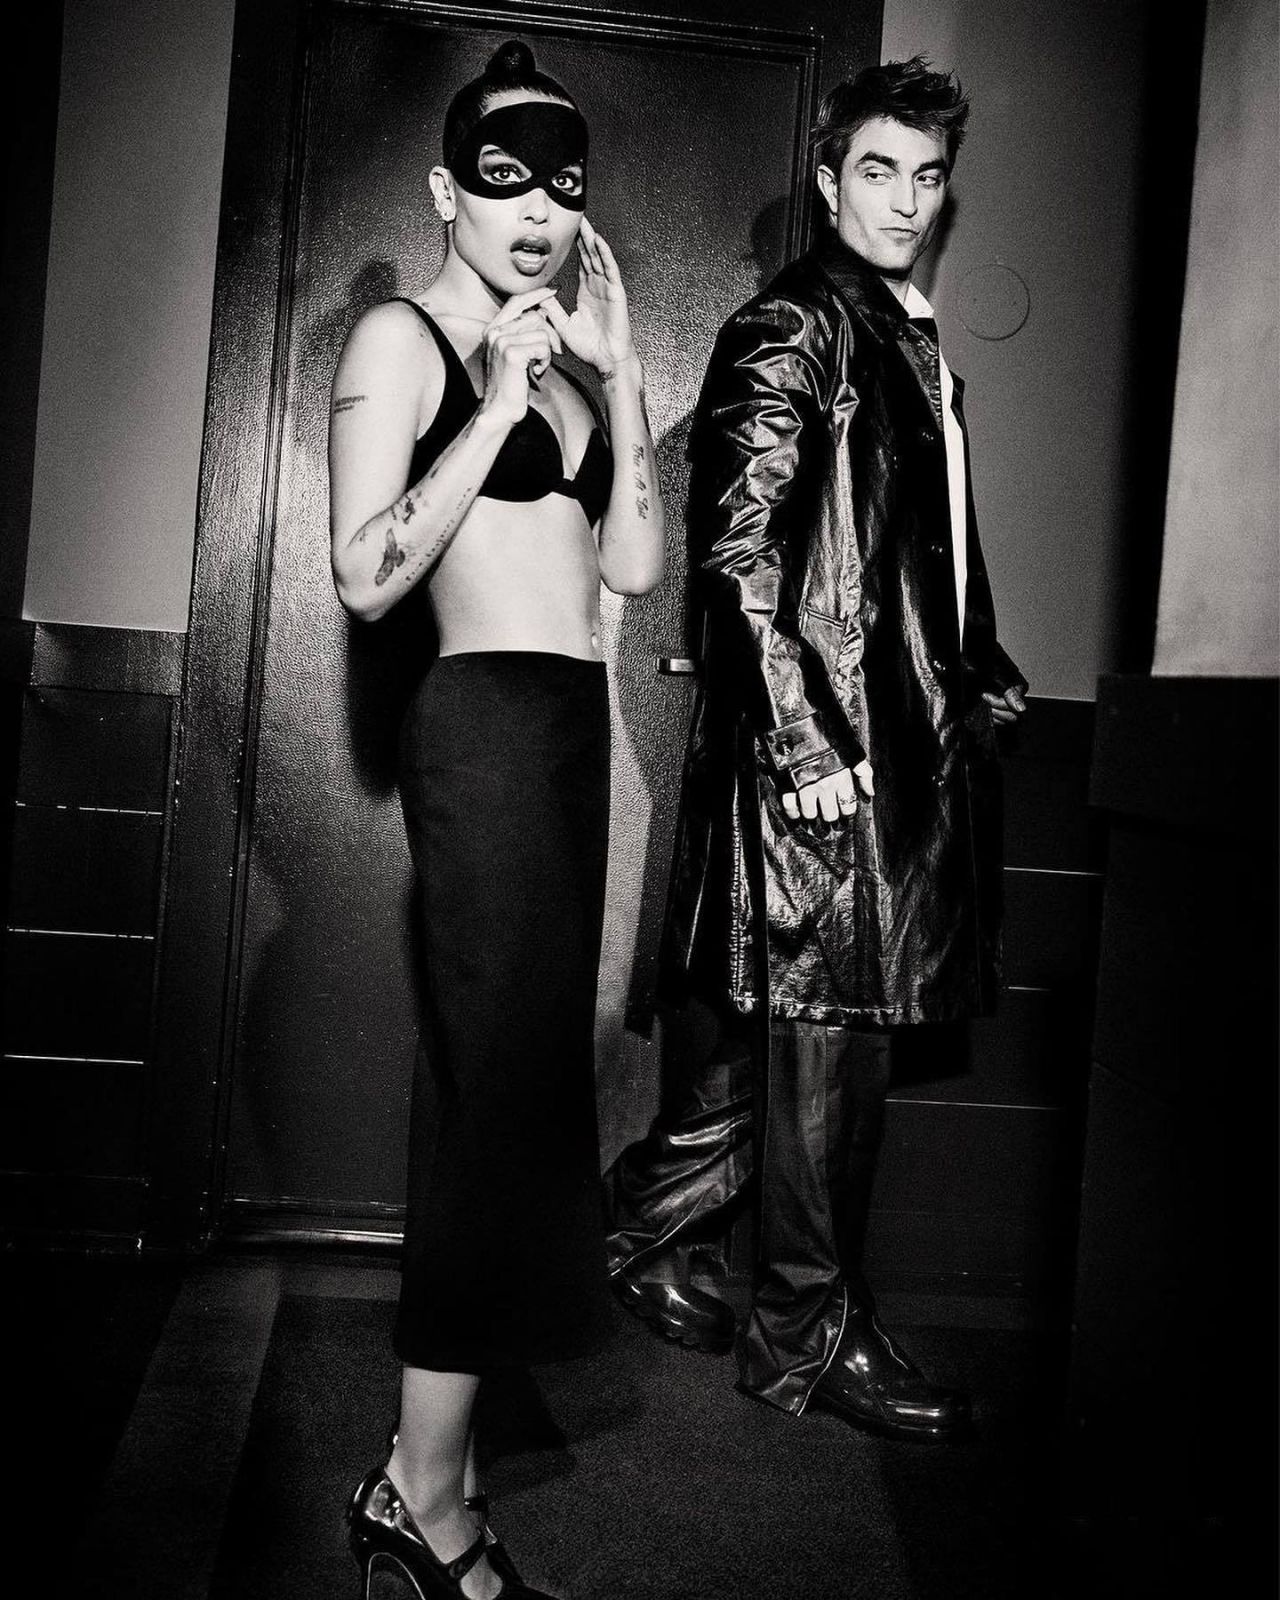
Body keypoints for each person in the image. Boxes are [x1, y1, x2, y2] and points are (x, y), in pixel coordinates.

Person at [605, 57, 1027, 1441]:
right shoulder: (795, 325)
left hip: (893, 743)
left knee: (796, 1049)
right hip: (828, 751)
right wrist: (802, 738)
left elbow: (922, 545)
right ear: (830, 178)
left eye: (929, 175)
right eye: (879, 171)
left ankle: (626, 1234)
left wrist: (979, 667)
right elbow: (737, 555)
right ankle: (809, 1335)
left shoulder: (907, 336)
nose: (906, 199)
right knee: (830, 1053)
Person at [328, 40, 663, 1600]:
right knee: (486, 1108)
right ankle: (417, 1494)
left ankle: (432, 1472)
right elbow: (364, 574)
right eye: (506, 182)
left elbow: (634, 571)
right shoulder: (399, 341)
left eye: (563, 187)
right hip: (477, 737)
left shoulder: (578, 366)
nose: (538, 214)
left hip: (567, 742)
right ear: (446, 192)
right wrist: (501, 402)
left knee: (521, 1102)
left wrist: (622, 373)